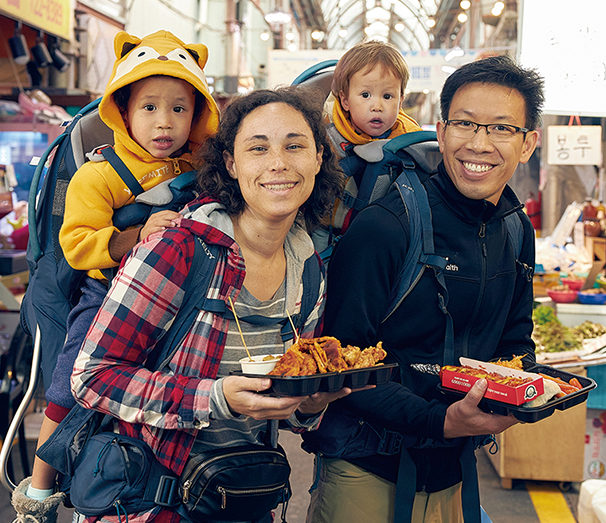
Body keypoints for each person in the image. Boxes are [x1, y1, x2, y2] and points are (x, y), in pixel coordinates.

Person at [69, 86, 347, 523]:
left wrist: (311, 403)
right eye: (258, 148)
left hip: (243, 497)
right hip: (151, 504)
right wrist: (214, 397)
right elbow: (91, 378)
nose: (279, 162)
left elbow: (288, 409)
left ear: (318, 158)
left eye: (295, 146)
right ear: (232, 164)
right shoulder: (178, 251)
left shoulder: (308, 266)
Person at [304, 55, 545, 523]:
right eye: (464, 124)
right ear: (440, 129)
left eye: (500, 129)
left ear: (528, 143)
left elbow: (516, 343)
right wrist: (440, 419)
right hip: (365, 469)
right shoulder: (386, 225)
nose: (479, 144)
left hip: (453, 470)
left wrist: (521, 391)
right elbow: (340, 359)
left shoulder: (517, 230)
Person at [10, 30, 220, 522]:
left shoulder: (201, 167)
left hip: (178, 302)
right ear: (122, 111)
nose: (164, 122)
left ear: (197, 115)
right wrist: (137, 235)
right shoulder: (99, 174)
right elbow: (78, 242)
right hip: (108, 296)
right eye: (149, 108)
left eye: (179, 108)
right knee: (71, 384)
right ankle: (38, 492)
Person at [322, 39, 422, 238]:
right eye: (365, 94)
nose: (377, 106)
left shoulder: (410, 140)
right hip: (326, 232)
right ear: (345, 100)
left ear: (400, 101)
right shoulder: (326, 136)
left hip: (382, 236)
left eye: (387, 96)